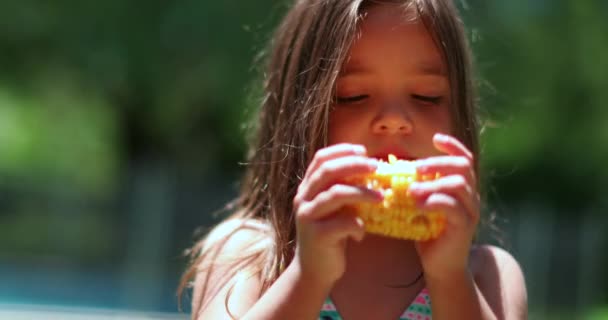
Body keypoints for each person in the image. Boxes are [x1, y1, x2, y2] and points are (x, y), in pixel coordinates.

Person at [179, 0, 528, 319]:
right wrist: (307, 276)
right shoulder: (249, 255)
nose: (395, 119)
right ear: (298, 115)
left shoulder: (485, 274)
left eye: (426, 96)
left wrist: (451, 279)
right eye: (353, 96)